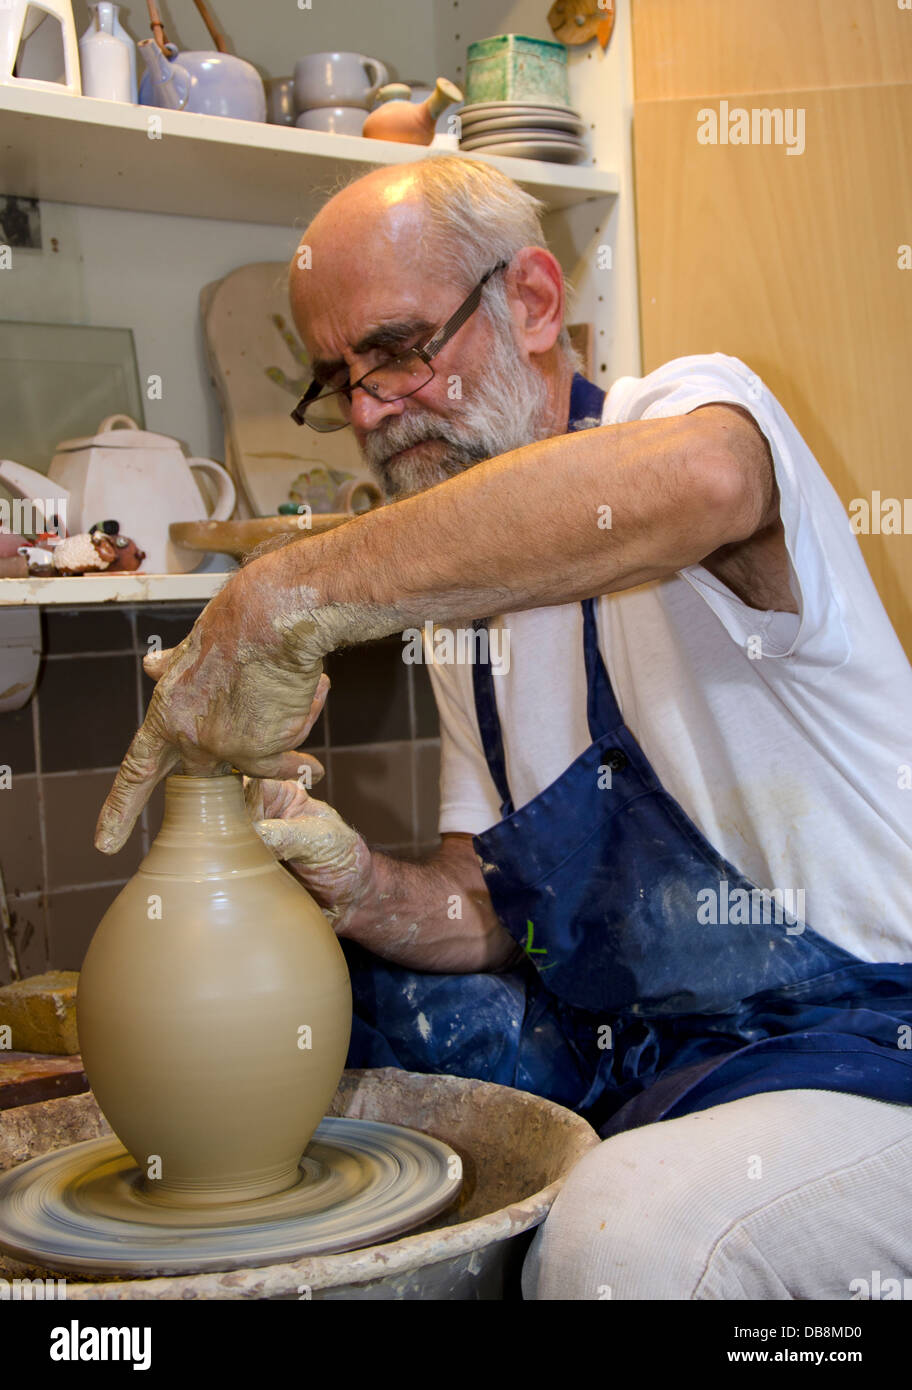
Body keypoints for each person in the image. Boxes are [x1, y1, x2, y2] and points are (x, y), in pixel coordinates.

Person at [96, 157, 912, 1299]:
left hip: (865, 1063)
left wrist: (286, 596)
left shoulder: (680, 415)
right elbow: (494, 909)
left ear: (532, 300)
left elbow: (707, 478)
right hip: (659, 1058)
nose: (371, 410)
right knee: (354, 1050)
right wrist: (365, 884)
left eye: (396, 348)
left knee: (625, 1243)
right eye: (339, 379)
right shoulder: (460, 614)